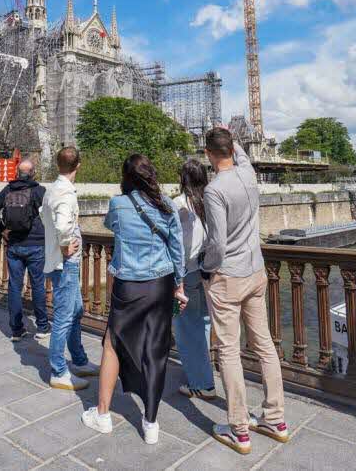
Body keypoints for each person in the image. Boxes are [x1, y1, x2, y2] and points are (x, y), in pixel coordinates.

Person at [81, 154, 186, 446]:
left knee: (113, 343)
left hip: (129, 284)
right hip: (161, 283)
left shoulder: (118, 204)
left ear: (126, 177)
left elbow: (111, 225)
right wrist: (178, 284)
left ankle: (103, 414)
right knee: (156, 351)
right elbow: (177, 248)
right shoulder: (166, 204)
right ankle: (150, 422)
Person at [201, 127, 288, 454]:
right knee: (264, 343)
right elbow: (242, 155)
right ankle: (275, 418)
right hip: (255, 270)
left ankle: (239, 428)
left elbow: (218, 244)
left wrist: (206, 268)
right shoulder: (249, 174)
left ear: (209, 154)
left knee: (228, 350)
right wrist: (228, 137)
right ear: (232, 149)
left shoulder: (214, 190)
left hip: (228, 276)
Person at [42, 147, 101, 391]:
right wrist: (66, 244)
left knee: (75, 310)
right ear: (79, 165)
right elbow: (63, 223)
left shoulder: (52, 189)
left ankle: (78, 360)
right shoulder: (65, 193)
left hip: (56, 260)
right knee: (65, 317)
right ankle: (59, 371)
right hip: (65, 263)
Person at [0, 160, 50, 342]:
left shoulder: (9, 190)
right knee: (37, 285)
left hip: (14, 245)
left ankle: (16, 329)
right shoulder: (39, 191)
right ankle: (42, 327)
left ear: (17, 173)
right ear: (33, 173)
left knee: (14, 286)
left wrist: (3, 229)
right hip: (36, 244)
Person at [172, 159, 217, 400]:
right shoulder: (208, 202)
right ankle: (203, 370)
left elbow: (178, 246)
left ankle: (201, 383)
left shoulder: (179, 205)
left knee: (185, 328)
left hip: (186, 274)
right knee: (203, 322)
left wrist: (175, 279)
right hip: (205, 271)